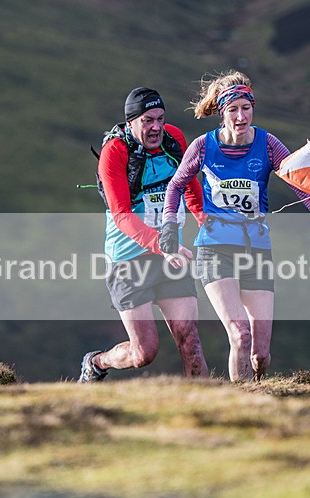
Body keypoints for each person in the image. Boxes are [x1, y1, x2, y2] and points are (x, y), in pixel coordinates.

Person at [160, 70, 310, 382]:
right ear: (222, 112)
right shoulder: (203, 146)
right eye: (233, 110)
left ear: (253, 109)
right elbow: (175, 186)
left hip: (256, 250)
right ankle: (243, 407)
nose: (240, 117)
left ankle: (258, 389)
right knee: (240, 334)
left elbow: (302, 187)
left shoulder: (267, 144)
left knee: (260, 353)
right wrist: (170, 226)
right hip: (214, 249)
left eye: (246, 108)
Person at [79, 87, 209, 383]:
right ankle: (96, 363)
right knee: (143, 353)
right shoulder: (114, 152)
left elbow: (187, 184)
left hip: (169, 254)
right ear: (131, 122)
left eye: (161, 119)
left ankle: (206, 411)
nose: (156, 128)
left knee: (190, 341)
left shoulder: (174, 139)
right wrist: (164, 246)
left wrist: (206, 222)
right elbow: (122, 215)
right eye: (148, 120)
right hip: (128, 259)